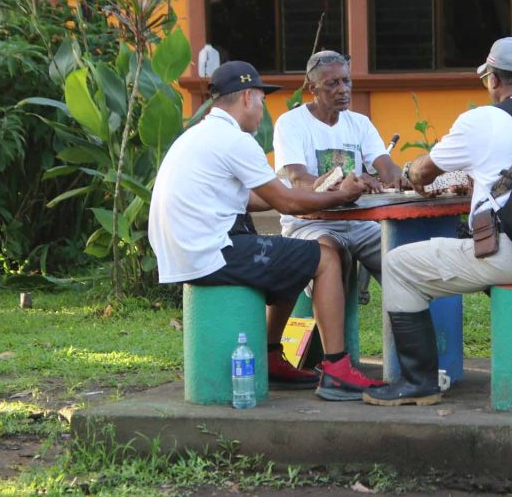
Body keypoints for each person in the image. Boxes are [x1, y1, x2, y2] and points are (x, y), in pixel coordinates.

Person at [363, 37, 512, 407]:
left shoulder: (481, 120)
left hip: (511, 256)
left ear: (493, 79)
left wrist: (410, 173)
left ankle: (419, 383)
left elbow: (424, 170)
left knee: (398, 265)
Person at [148, 60, 385, 401]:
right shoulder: (234, 140)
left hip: (192, 250)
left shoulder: (202, 134)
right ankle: (337, 370)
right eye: (261, 100)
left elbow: (256, 198)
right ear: (246, 97)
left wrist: (315, 193)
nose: (263, 110)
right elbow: (285, 202)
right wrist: (341, 194)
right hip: (212, 253)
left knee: (290, 253)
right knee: (326, 256)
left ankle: (272, 356)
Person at [274, 51, 402, 292]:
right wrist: (347, 182)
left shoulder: (360, 123)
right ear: (313, 88)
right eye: (332, 83)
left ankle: (406, 327)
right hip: (310, 224)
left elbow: (385, 166)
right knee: (332, 259)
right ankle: (330, 331)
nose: (343, 89)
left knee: (402, 260)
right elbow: (298, 179)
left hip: (359, 223)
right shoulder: (290, 123)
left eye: (346, 81)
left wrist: (405, 177)